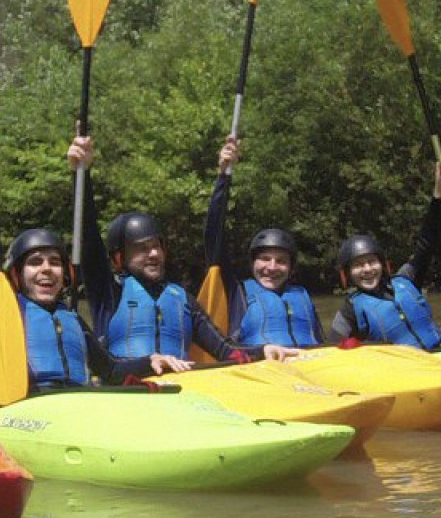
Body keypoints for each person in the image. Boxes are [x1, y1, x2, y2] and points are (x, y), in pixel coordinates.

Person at [0, 117, 260, 391]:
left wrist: (150, 362)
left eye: (55, 262)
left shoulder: (73, 320)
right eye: (35, 263)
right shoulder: (5, 311)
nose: (46, 269)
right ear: (17, 274)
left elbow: (111, 371)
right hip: (33, 410)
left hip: (89, 407)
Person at [69, 133, 297, 368]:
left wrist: (263, 351)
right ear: (119, 257)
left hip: (181, 394)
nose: (155, 254)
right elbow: (88, 240)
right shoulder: (108, 293)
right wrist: (81, 174)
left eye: (157, 246)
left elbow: (225, 350)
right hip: (129, 391)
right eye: (143, 249)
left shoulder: (183, 300)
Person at [204, 137, 326, 347]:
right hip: (262, 373)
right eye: (265, 259)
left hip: (308, 369)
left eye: (281, 261)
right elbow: (214, 236)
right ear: (252, 263)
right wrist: (223, 176)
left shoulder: (302, 295)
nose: (272, 267)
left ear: (290, 267)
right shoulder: (237, 293)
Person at [330, 163, 441, 348]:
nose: (367, 269)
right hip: (405, 373)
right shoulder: (350, 311)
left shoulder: (406, 280)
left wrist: (438, 195)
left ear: (383, 264)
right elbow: (332, 351)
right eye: (358, 265)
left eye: (371, 262)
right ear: (347, 274)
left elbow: (427, 242)